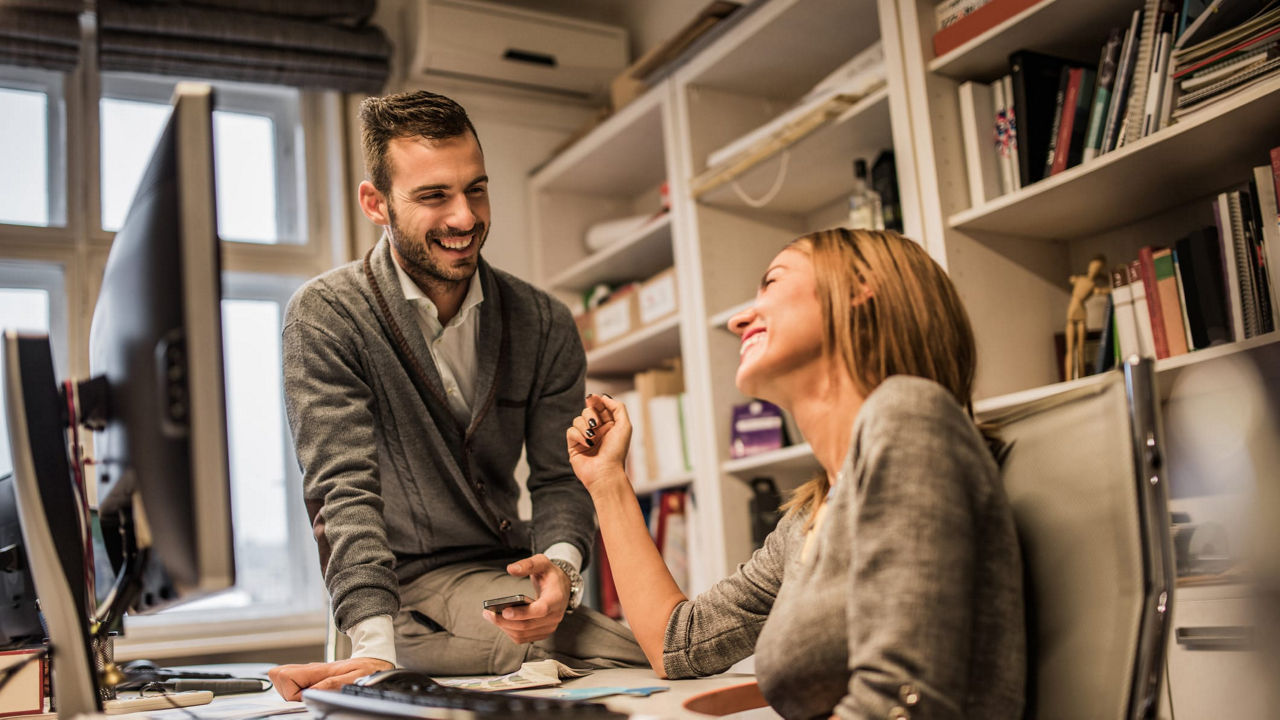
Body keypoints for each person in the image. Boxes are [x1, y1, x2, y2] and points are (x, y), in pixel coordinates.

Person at [269, 90, 644, 701]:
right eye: (434, 196)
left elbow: (559, 476)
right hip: (400, 594)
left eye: (476, 189)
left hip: (503, 577)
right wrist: (374, 654)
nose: (465, 218)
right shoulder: (326, 317)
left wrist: (563, 575)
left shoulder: (544, 322)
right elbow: (343, 490)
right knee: (630, 652)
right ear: (377, 203)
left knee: (622, 647)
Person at [567, 228, 1026, 719]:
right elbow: (677, 644)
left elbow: (903, 701)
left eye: (771, 283)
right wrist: (608, 480)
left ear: (858, 289)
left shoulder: (911, 416)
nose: (740, 318)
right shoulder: (812, 516)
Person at [1065, 254, 1108, 380]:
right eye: (1092, 266)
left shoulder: (1093, 285)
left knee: (1080, 349)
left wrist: (1106, 279)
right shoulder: (1079, 279)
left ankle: (1082, 376)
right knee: (1070, 349)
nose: (1093, 269)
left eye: (1097, 268)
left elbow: (1102, 291)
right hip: (1073, 309)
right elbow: (1071, 279)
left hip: (1082, 312)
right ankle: (1068, 379)